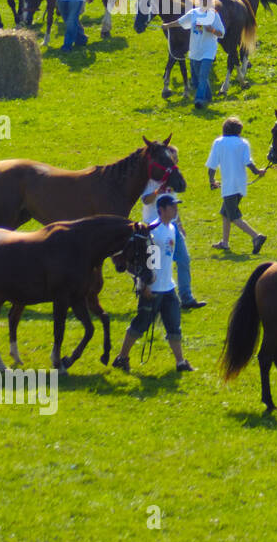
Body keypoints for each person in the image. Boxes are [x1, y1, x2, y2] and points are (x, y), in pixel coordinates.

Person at [110, 194, 196, 373]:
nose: (176, 210)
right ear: (161, 210)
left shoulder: (172, 228)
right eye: (172, 207)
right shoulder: (154, 231)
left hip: (169, 287)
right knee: (140, 324)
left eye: (176, 206)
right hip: (154, 289)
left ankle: (180, 362)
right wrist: (145, 285)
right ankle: (122, 357)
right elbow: (149, 261)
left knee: (174, 326)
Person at [139, 179, 204, 309]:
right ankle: (151, 293)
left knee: (184, 259)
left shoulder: (171, 179)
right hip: (154, 228)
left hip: (171, 226)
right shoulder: (149, 180)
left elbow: (174, 205)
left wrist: (179, 224)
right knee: (154, 264)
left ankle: (186, 298)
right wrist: (157, 191)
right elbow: (145, 200)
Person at [207, 116, 267, 253]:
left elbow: (212, 165)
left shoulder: (219, 142)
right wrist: (258, 172)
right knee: (225, 213)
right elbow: (248, 162)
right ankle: (225, 243)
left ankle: (256, 236)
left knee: (234, 216)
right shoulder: (243, 143)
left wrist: (211, 180)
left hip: (229, 185)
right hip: (240, 185)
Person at [174, 0, 225, 108]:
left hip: (208, 51)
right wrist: (167, 25)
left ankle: (199, 100)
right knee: (196, 78)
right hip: (195, 51)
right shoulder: (194, 13)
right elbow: (181, 22)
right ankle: (208, 96)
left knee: (203, 75)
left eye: (206, 0)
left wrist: (211, 30)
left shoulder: (214, 15)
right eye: (202, 0)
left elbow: (221, 33)